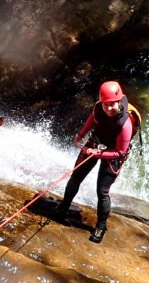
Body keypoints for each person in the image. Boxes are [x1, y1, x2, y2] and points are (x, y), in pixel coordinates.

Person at [55, 81, 134, 244]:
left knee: (102, 191)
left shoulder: (126, 124)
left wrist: (100, 153)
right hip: (97, 141)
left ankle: (100, 226)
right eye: (106, 105)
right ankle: (62, 209)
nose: (109, 109)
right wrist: (82, 134)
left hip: (114, 151)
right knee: (75, 177)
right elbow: (93, 118)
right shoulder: (98, 108)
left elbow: (121, 151)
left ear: (119, 101)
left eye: (112, 105)